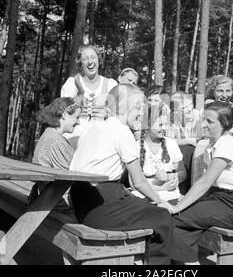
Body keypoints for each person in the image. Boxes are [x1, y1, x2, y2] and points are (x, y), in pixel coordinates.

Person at [69, 84, 173, 265]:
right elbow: (139, 182)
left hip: (80, 202)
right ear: (123, 108)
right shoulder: (122, 131)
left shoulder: (94, 127)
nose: (142, 113)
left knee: (145, 208)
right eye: (138, 108)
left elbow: (132, 184)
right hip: (102, 205)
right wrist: (159, 201)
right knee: (163, 217)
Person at [159, 101, 233, 264]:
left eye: (210, 121)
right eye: (203, 119)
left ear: (224, 124)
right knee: (177, 221)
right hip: (219, 200)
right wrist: (185, 201)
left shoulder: (227, 144)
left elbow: (205, 182)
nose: (203, 124)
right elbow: (206, 185)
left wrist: (177, 208)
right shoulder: (213, 143)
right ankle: (186, 261)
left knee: (174, 217)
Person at [61, 44, 118, 149]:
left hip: (102, 138)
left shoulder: (111, 84)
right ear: (80, 63)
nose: (90, 61)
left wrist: (107, 113)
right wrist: (80, 94)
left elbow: (116, 117)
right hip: (75, 136)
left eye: (93, 57)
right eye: (85, 59)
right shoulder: (72, 83)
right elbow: (66, 115)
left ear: (99, 60)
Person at [191, 75, 233, 184]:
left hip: (228, 143)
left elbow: (228, 133)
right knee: (199, 145)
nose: (224, 95)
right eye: (220, 91)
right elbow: (197, 131)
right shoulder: (207, 107)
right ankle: (195, 188)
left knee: (202, 145)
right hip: (210, 140)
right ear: (213, 91)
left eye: (228, 91)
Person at [31, 97, 81, 210]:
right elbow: (75, 175)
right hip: (59, 203)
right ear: (64, 115)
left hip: (49, 198)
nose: (78, 122)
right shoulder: (56, 141)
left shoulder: (49, 134)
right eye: (76, 117)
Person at [131, 104, 187, 202]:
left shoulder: (171, 144)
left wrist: (173, 178)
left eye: (166, 124)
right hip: (143, 194)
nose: (164, 128)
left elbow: (182, 171)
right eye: (160, 125)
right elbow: (133, 183)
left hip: (170, 194)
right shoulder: (135, 147)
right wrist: (161, 188)